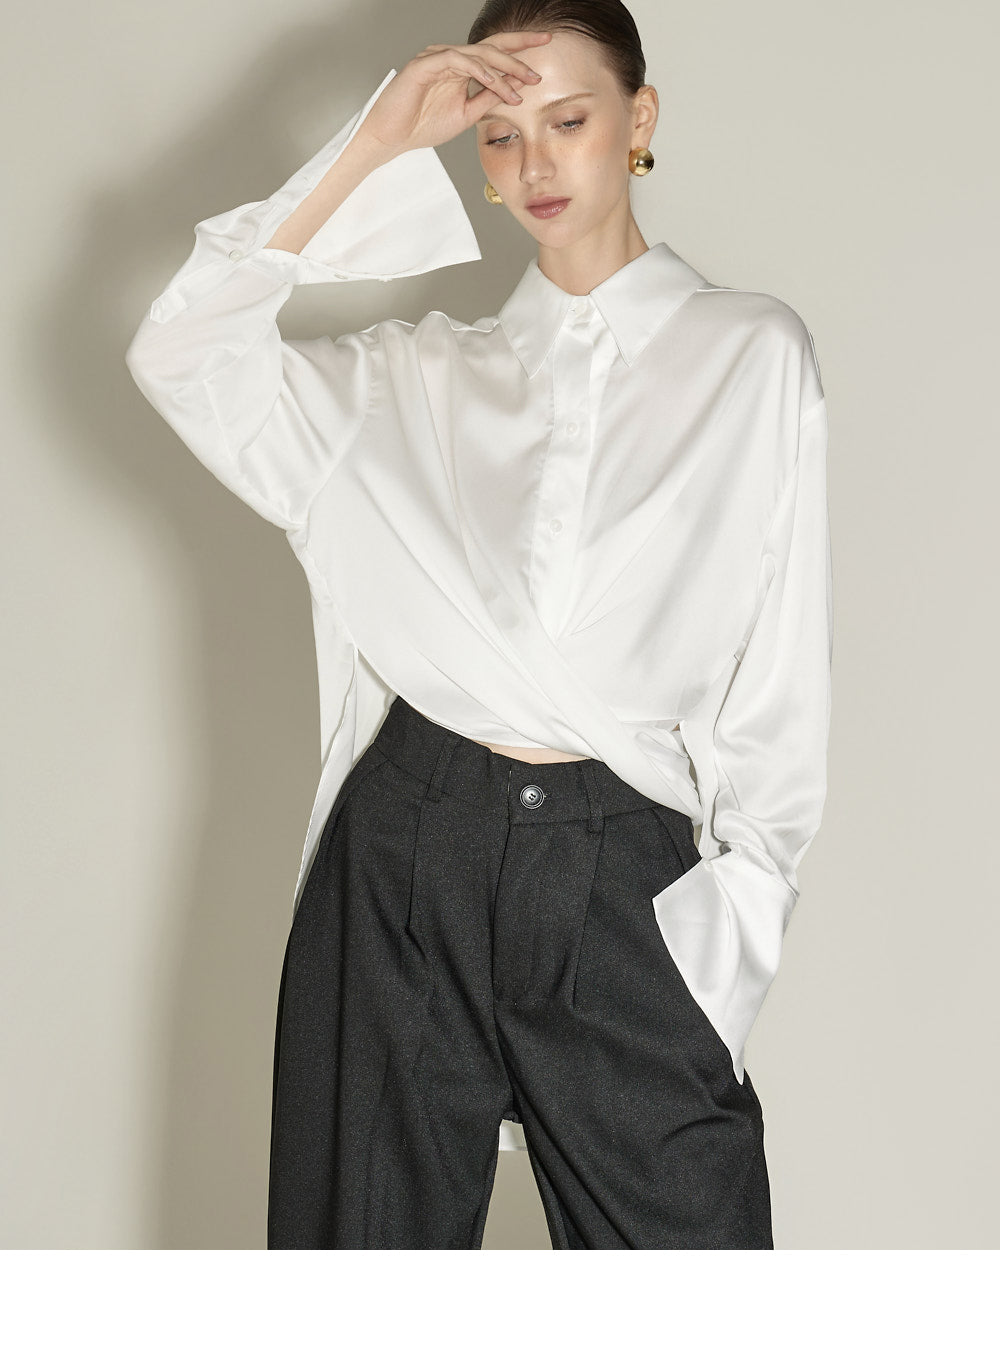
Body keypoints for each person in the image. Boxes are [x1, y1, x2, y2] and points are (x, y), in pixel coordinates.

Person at [125, 0, 833, 1250]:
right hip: (409, 850)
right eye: (500, 136)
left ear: (639, 119)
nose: (534, 161)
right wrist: (374, 143)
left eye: (568, 120)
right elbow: (183, 352)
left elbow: (777, 668)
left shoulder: (752, 355)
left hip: (623, 867)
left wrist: (734, 924)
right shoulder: (408, 377)